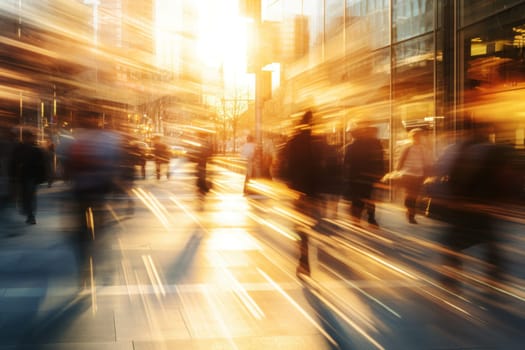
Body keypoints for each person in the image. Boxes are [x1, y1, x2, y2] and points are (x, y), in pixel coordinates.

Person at [435, 122, 520, 292]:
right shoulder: (494, 150)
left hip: (464, 204)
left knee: (453, 241)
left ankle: (451, 278)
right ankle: (494, 275)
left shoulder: (458, 149)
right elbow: (506, 178)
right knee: (488, 239)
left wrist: (449, 198)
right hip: (484, 204)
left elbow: (445, 173)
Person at [280, 111, 324, 276]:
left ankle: (303, 259)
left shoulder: (293, 142)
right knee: (314, 225)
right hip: (314, 191)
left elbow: (282, 167)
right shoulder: (318, 141)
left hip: (298, 191)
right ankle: (308, 256)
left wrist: (290, 183)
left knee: (300, 227)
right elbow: (327, 167)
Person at [343, 124, 386, 226]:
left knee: (357, 198)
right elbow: (377, 160)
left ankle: (357, 219)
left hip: (355, 177)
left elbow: (346, 163)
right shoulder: (370, 145)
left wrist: (346, 177)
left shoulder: (350, 147)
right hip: (368, 176)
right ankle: (371, 218)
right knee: (368, 197)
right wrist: (378, 174)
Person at [9, 129, 47, 225]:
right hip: (25, 176)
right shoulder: (24, 148)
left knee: (28, 195)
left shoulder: (32, 149)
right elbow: (14, 162)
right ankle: (29, 213)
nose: (27, 139)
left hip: (29, 176)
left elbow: (41, 164)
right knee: (26, 195)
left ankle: (30, 215)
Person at [396, 128, 433, 224]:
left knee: (415, 195)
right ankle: (410, 213)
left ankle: (411, 213)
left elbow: (427, 161)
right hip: (408, 174)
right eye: (415, 136)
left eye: (419, 136)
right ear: (412, 137)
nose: (417, 138)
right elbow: (400, 160)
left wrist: (428, 173)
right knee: (409, 195)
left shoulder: (423, 149)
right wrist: (397, 171)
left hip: (418, 175)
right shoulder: (407, 147)